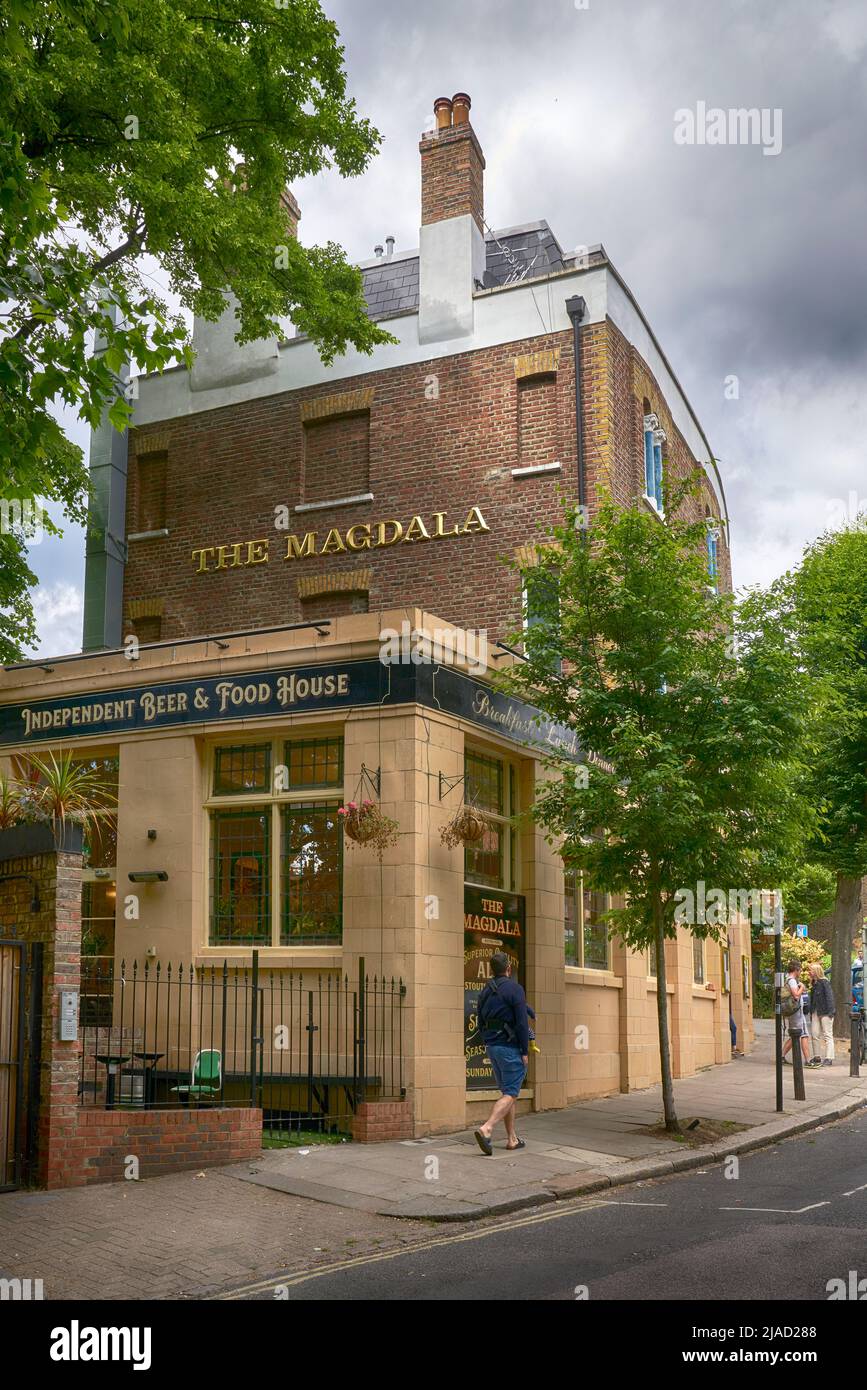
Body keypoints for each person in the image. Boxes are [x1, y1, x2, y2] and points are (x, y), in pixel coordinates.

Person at [473, 951, 529, 1155]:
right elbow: (522, 1023)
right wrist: (524, 1050)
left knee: (507, 1092)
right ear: (508, 968)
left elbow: (479, 1021)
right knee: (511, 1093)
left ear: (491, 970)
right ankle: (487, 1128)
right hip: (510, 1048)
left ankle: (512, 1139)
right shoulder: (515, 989)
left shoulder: (485, 991)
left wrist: (489, 1041)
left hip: (492, 1048)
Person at [781, 959, 811, 1067]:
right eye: (800, 970)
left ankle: (782, 1056)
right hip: (796, 1012)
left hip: (794, 1011)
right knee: (802, 1035)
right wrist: (802, 987)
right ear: (796, 970)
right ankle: (808, 1061)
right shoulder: (792, 980)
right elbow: (796, 996)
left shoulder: (787, 979)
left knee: (796, 1035)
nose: (800, 972)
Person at [807, 962, 835, 1066]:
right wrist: (811, 1012)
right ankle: (817, 1056)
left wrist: (831, 1012)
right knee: (815, 1034)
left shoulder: (824, 982)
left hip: (825, 1012)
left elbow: (829, 997)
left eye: (811, 970)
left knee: (827, 1034)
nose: (809, 972)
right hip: (815, 1012)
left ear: (816, 971)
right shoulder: (814, 984)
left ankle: (829, 1057)